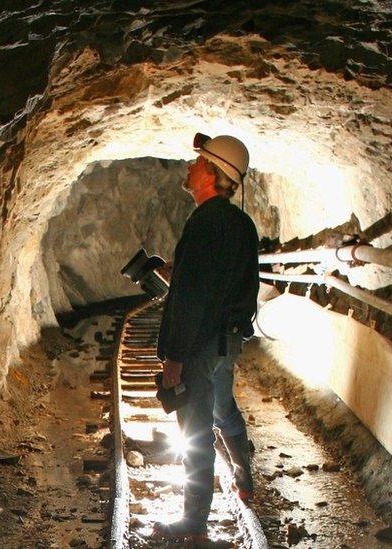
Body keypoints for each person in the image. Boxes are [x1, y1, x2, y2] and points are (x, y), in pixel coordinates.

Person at [152, 133, 260, 541]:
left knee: (194, 433)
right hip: (224, 343)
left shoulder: (204, 223)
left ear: (212, 174)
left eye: (198, 162)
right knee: (221, 409)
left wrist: (175, 359)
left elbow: (195, 297)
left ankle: (193, 524)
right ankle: (242, 477)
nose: (190, 166)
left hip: (199, 346)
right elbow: (230, 286)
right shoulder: (240, 224)